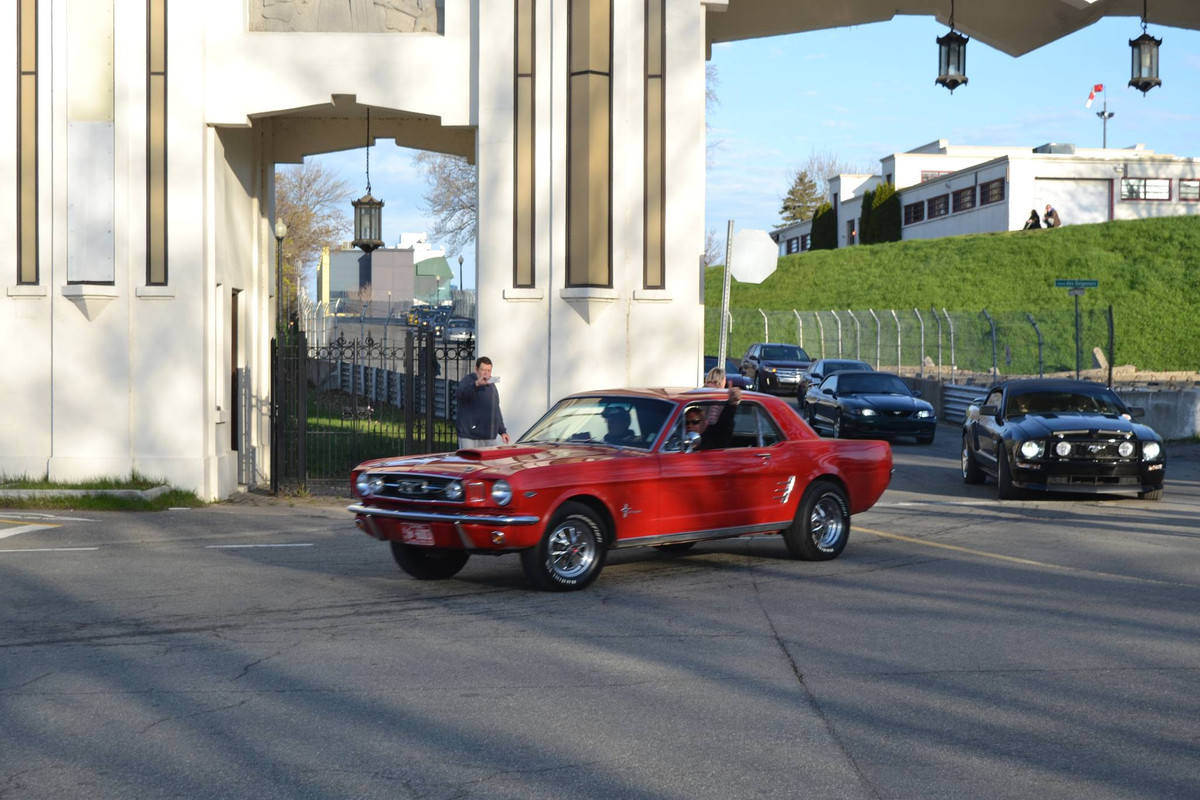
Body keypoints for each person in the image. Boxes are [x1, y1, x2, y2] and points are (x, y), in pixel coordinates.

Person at [456, 356, 509, 448]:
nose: (486, 373)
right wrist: (476, 384)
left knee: (491, 462)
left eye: (489, 370)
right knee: (470, 462)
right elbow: (459, 394)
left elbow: (495, 409)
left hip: (489, 436)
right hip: (470, 436)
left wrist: (502, 431)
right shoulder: (468, 380)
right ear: (477, 369)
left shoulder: (491, 386)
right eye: (483, 370)